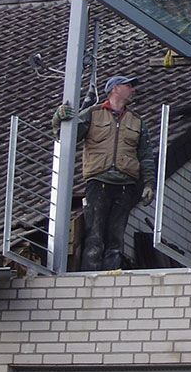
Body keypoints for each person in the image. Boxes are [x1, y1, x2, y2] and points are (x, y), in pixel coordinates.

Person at [52, 75, 155, 271]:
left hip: (126, 185)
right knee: (95, 234)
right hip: (98, 182)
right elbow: (66, 137)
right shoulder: (93, 113)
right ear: (115, 89)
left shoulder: (137, 121)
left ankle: (110, 276)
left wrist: (149, 184)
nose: (133, 90)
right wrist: (58, 118)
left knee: (116, 236)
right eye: (128, 86)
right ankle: (91, 276)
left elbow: (146, 157)